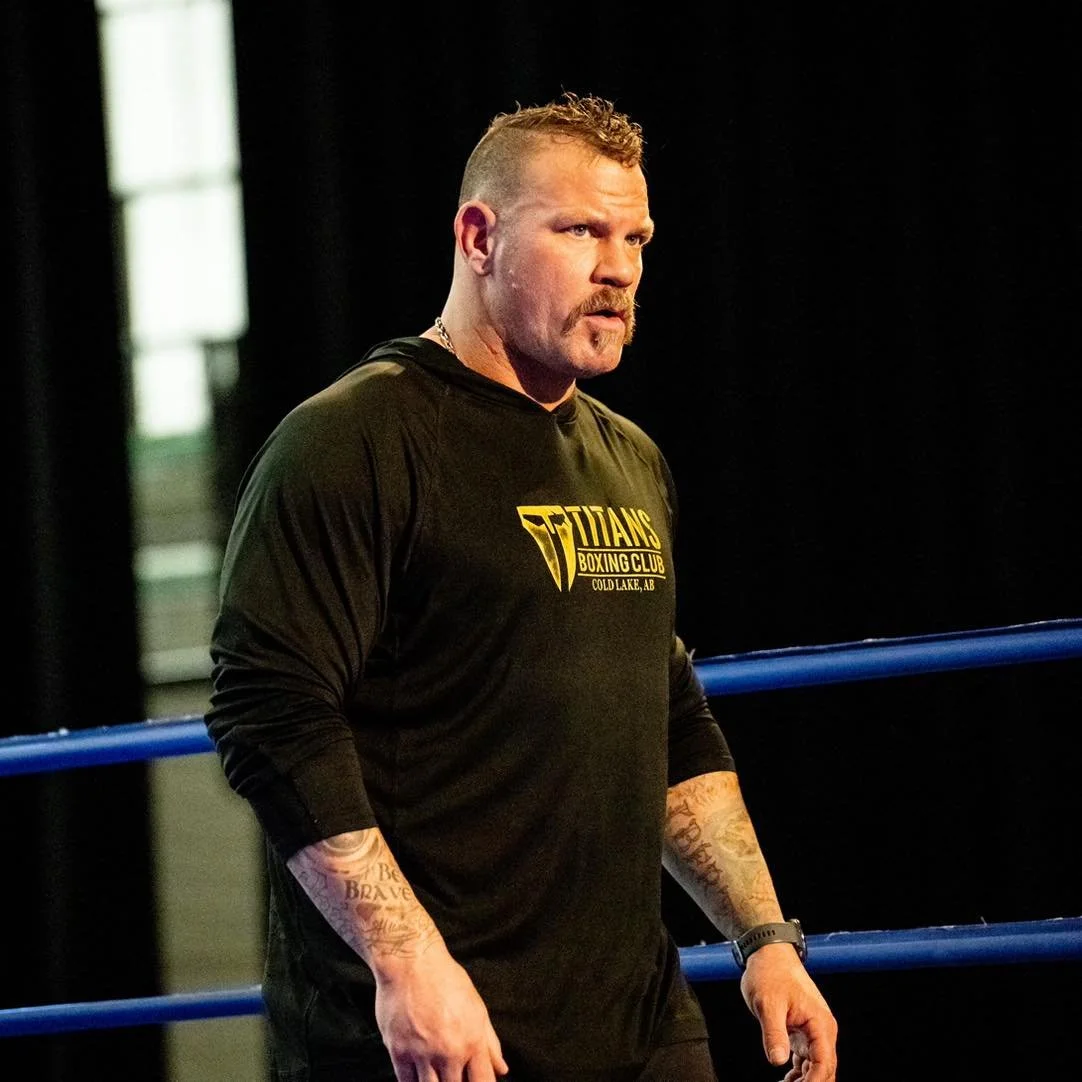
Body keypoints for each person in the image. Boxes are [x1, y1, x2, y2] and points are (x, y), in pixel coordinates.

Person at [207, 91, 838, 1082]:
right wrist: (407, 960)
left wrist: (761, 933)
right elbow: (268, 713)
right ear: (478, 236)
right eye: (580, 230)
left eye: (634, 236)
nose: (619, 268)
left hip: (636, 1021)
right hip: (441, 1038)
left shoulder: (628, 458)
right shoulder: (352, 443)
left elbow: (664, 715)